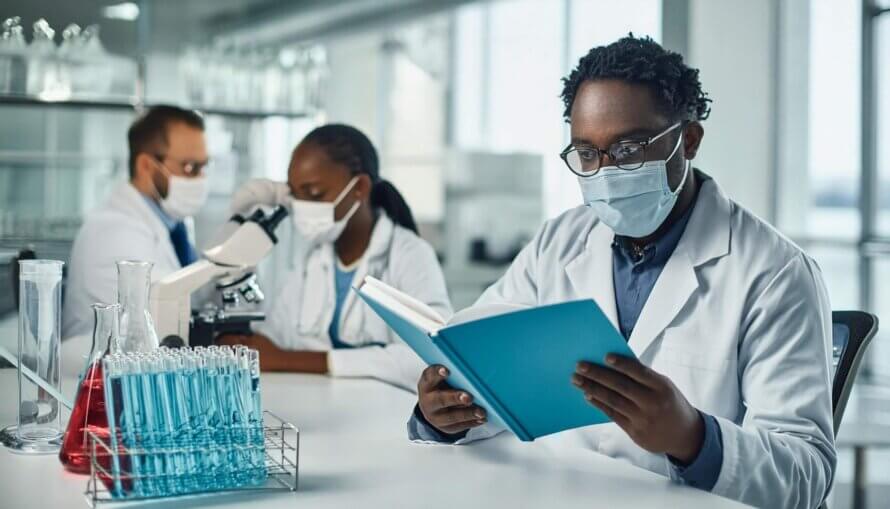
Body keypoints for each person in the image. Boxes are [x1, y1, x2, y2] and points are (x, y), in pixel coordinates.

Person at [408, 35, 835, 509]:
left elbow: (807, 473)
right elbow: (488, 371)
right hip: (555, 493)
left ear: (687, 140)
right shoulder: (559, 242)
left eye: (629, 150)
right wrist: (446, 412)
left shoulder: (774, 273)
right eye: (586, 154)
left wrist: (693, 438)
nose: (606, 173)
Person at [219, 124, 451, 391]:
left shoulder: (410, 255)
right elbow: (273, 339)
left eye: (314, 194)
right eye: (295, 195)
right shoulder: (314, 260)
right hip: (326, 406)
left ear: (360, 188)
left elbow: (433, 360)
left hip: (386, 416)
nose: (301, 207)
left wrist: (303, 361)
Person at [63, 106, 209, 338]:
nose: (201, 179)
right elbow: (164, 321)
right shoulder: (113, 232)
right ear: (146, 166)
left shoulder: (173, 225)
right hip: (100, 369)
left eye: (204, 167)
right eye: (191, 167)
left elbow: (198, 298)